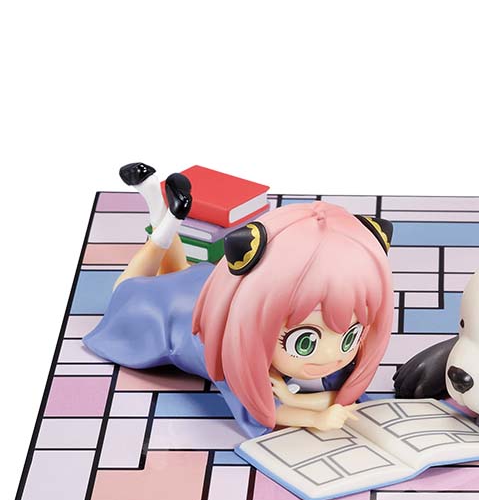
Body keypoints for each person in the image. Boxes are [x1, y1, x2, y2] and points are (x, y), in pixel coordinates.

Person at [84, 164, 394, 437]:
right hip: (166, 316)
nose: (331, 355)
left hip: (201, 286)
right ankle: (162, 213)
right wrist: (315, 418)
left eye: (350, 336)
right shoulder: (234, 351)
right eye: (305, 342)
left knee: (176, 271)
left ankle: (165, 211)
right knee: (125, 290)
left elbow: (345, 396)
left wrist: (294, 397)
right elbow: (263, 413)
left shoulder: (283, 326)